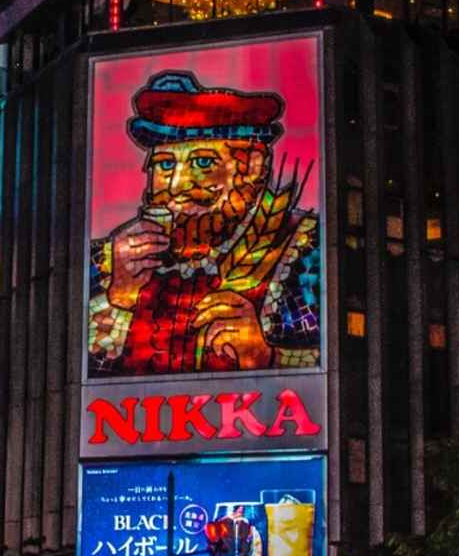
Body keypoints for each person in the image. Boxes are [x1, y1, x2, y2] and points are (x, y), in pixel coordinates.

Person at [86, 70, 321, 378]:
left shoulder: (303, 248)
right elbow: (70, 375)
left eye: (203, 162)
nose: (178, 184)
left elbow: (342, 360)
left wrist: (266, 355)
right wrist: (118, 299)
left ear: (251, 166)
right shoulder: (108, 260)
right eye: (165, 165)